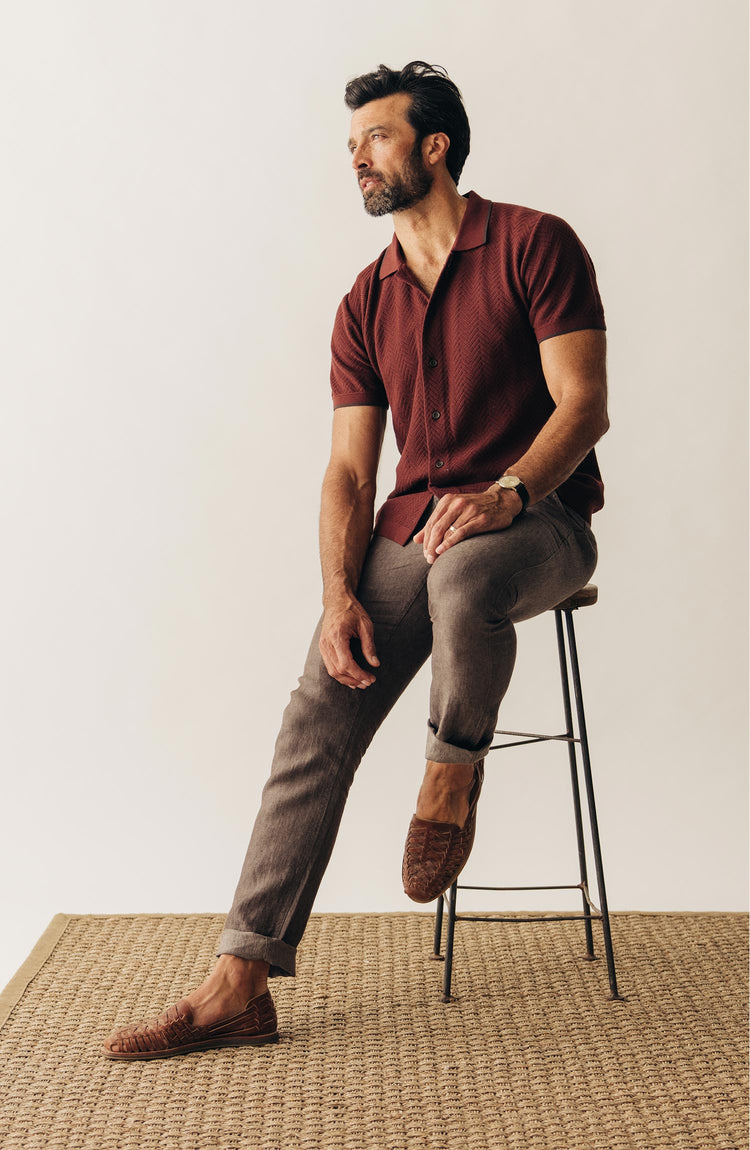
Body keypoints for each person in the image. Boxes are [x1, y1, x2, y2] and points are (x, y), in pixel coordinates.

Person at [103, 61, 608, 1060]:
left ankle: (448, 778)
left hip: (540, 519)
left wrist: (506, 491)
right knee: (317, 713)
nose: (357, 159)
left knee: (469, 573)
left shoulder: (533, 245)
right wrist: (338, 593)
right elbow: (347, 469)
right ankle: (239, 982)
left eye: (375, 138)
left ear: (435, 146)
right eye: (350, 147)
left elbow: (584, 404)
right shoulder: (363, 301)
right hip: (408, 531)